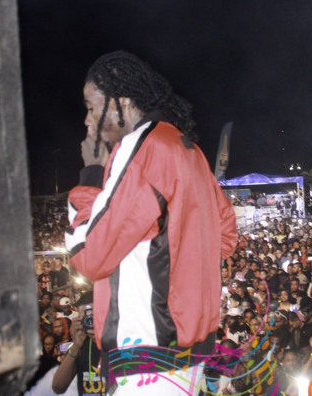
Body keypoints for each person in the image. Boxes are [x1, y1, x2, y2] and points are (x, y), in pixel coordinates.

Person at [64, 51, 237, 395]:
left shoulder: (141, 146)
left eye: (91, 107)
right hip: (189, 355)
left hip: (148, 355)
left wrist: (91, 176)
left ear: (122, 104)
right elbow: (226, 239)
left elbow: (89, 255)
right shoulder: (188, 148)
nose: (87, 119)